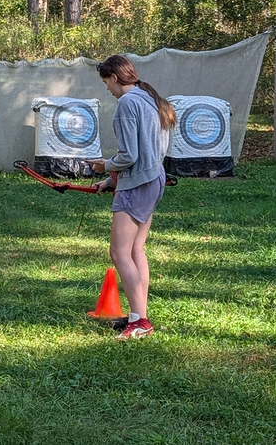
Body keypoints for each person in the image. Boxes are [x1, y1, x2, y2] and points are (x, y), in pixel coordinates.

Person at [89, 55, 176, 340]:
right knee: (136, 250)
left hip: (138, 184)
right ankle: (139, 316)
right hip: (153, 180)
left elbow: (129, 156)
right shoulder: (150, 98)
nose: (107, 88)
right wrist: (110, 180)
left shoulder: (127, 103)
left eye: (105, 82)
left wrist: (106, 165)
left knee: (119, 252)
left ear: (114, 76)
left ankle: (141, 322)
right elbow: (147, 152)